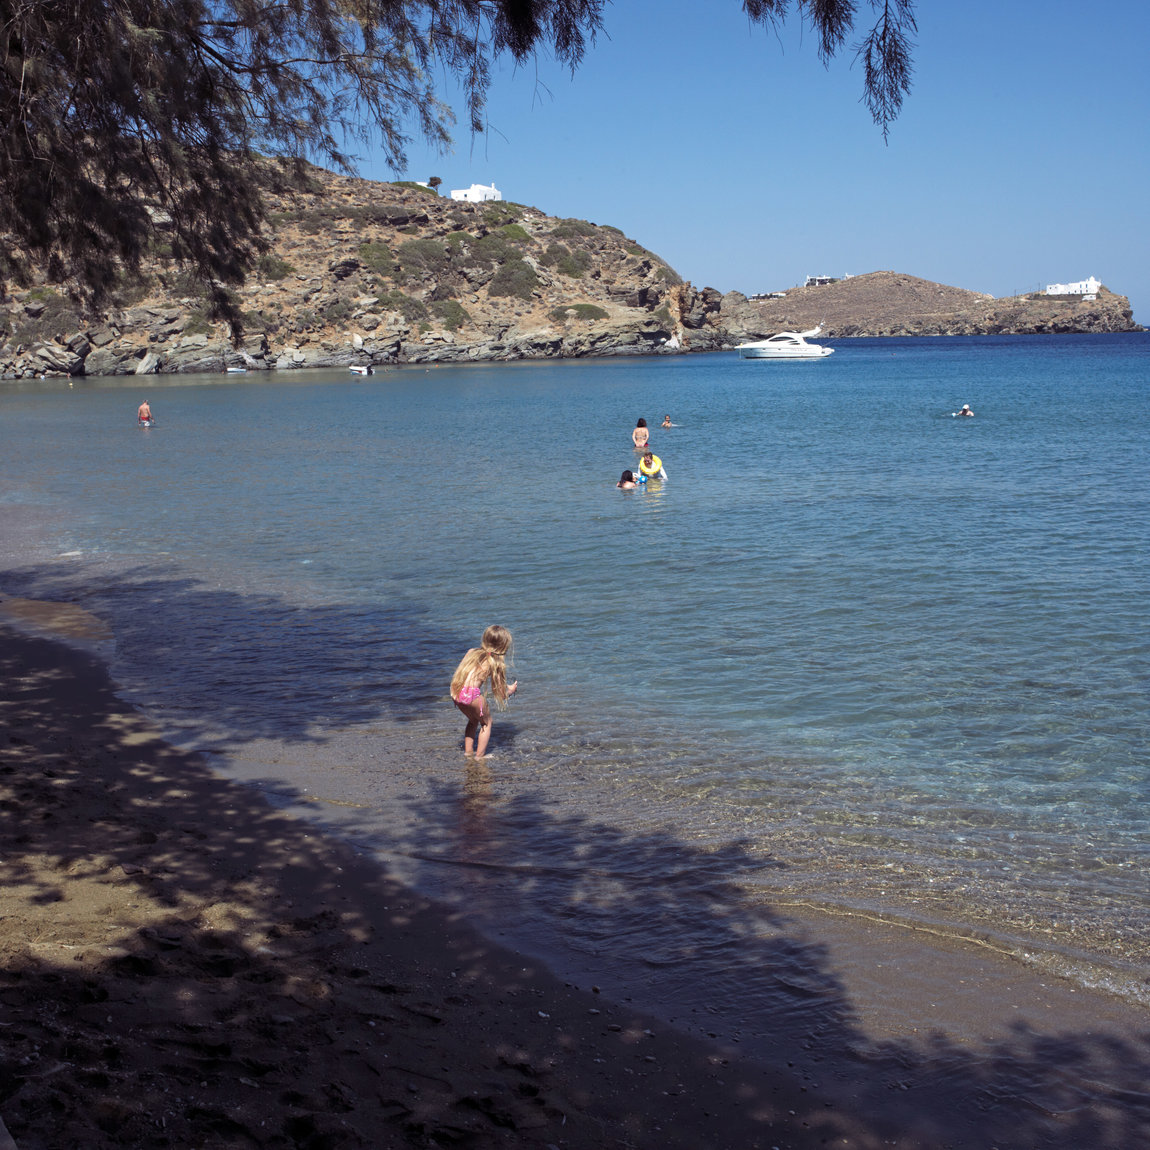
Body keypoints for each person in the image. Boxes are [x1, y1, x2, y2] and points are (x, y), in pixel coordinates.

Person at [449, 625, 518, 760]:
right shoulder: (495, 663)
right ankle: (480, 756)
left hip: (455, 692)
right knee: (487, 723)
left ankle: (468, 752)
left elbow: (459, 673)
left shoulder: (471, 651)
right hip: (472, 695)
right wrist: (510, 690)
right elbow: (500, 692)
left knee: (473, 720)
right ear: (503, 646)